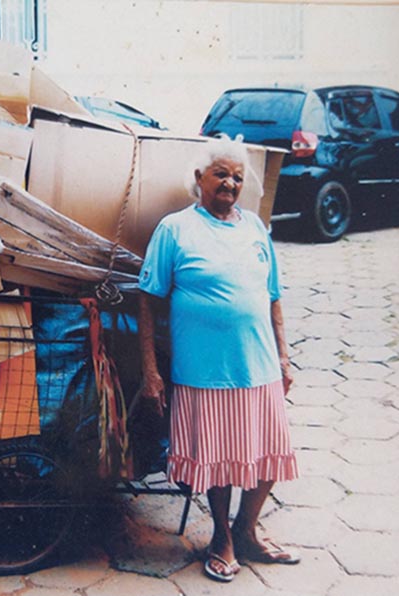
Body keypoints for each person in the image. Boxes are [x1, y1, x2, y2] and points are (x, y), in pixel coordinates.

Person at [137, 135, 299, 583]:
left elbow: (273, 298)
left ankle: (247, 529)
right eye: (221, 174)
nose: (230, 183)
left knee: (269, 453)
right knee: (219, 459)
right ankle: (221, 537)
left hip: (259, 364)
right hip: (204, 370)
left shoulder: (255, 230)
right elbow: (148, 302)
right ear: (199, 178)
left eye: (237, 177)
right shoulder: (175, 229)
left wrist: (285, 359)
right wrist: (151, 371)